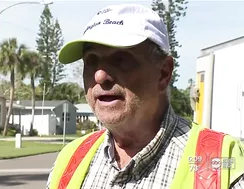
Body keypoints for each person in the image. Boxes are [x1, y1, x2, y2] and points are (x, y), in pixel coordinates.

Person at [46, 3, 244, 189]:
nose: (99, 75)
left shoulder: (219, 162)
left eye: (121, 58)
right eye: (91, 60)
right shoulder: (70, 159)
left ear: (164, 73)